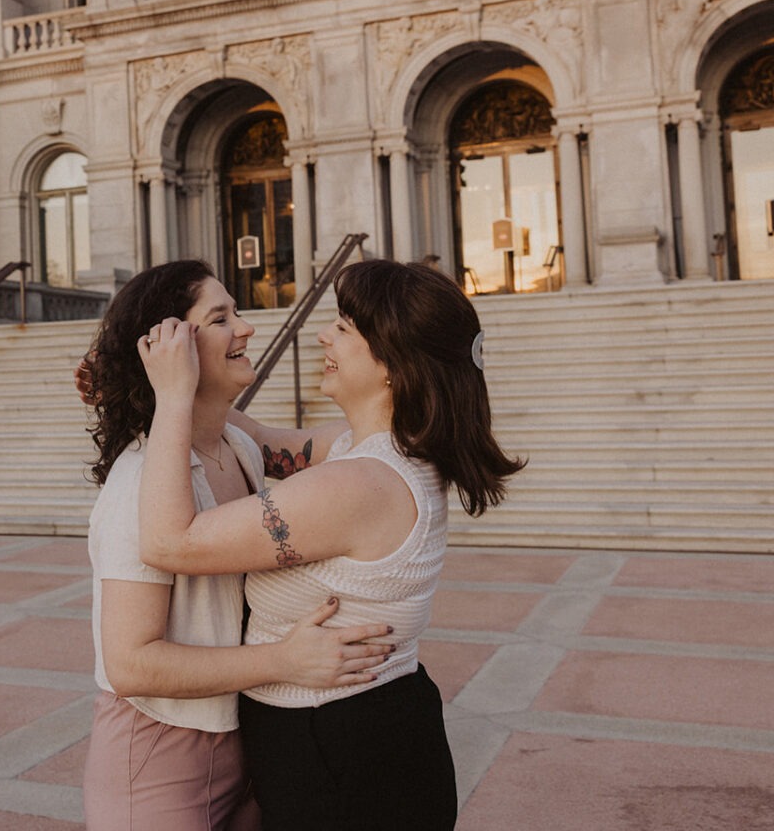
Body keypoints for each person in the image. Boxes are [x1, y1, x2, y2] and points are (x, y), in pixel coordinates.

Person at [136, 258, 526, 831]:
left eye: (344, 326)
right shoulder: (372, 449)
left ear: (392, 364)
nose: (323, 334)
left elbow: (170, 543)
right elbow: (260, 442)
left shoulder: (358, 485)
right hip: (363, 732)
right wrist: (151, 380)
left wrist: (171, 398)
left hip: (339, 749)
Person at [81, 259, 396, 831]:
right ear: (171, 345)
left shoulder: (239, 448)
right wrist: (283, 661)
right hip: (158, 757)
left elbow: (335, 446)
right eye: (221, 317)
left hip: (239, 744)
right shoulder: (139, 486)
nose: (246, 327)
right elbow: (130, 663)